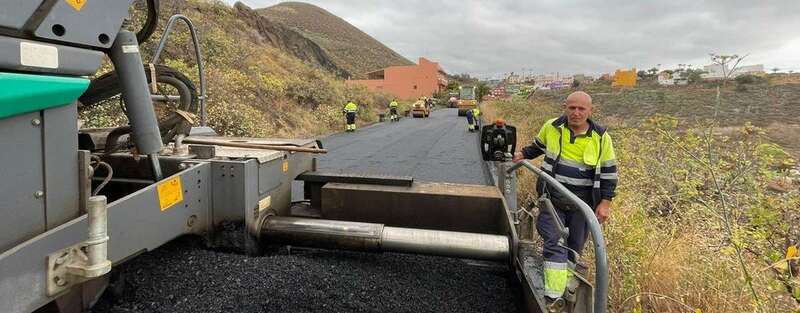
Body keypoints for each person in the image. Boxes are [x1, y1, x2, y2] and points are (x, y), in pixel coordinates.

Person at [512, 91, 618, 303]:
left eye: (581, 109)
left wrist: (605, 203)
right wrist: (521, 155)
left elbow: (609, 172)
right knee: (554, 241)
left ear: (590, 111)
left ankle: (565, 289)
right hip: (552, 200)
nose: (576, 113)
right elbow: (538, 147)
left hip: (582, 205)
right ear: (565, 107)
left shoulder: (601, 138)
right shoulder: (552, 127)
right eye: (572, 108)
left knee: (574, 248)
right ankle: (553, 297)